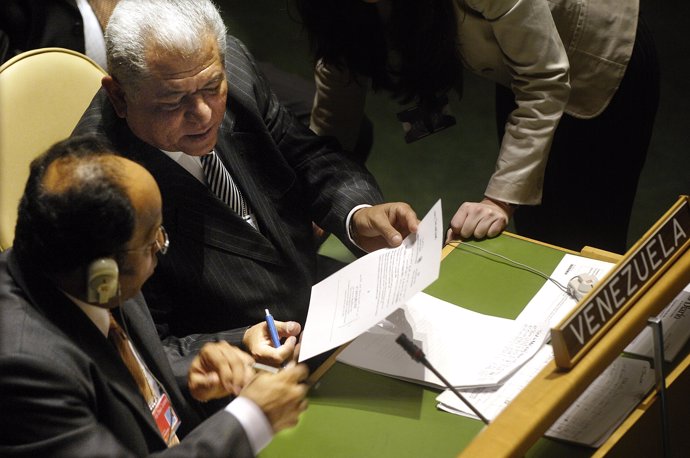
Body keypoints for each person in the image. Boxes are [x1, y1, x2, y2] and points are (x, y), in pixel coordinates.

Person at [72, 0, 419, 367]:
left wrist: (357, 213)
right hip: (244, 369)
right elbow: (145, 354)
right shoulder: (96, 193)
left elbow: (304, 155)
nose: (203, 114)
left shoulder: (231, 70)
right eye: (174, 101)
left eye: (211, 87)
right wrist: (239, 346)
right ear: (119, 96)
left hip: (321, 298)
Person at [0, 136, 310, 456]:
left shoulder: (83, 266)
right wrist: (251, 419)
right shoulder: (23, 368)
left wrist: (199, 366)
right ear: (102, 277)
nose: (162, 247)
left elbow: (131, 364)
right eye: (153, 243)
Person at [294, 0, 660, 254]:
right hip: (517, 66)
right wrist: (318, 201)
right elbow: (336, 95)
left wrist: (499, 200)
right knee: (538, 230)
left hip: (596, 57)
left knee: (586, 245)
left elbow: (543, 80)